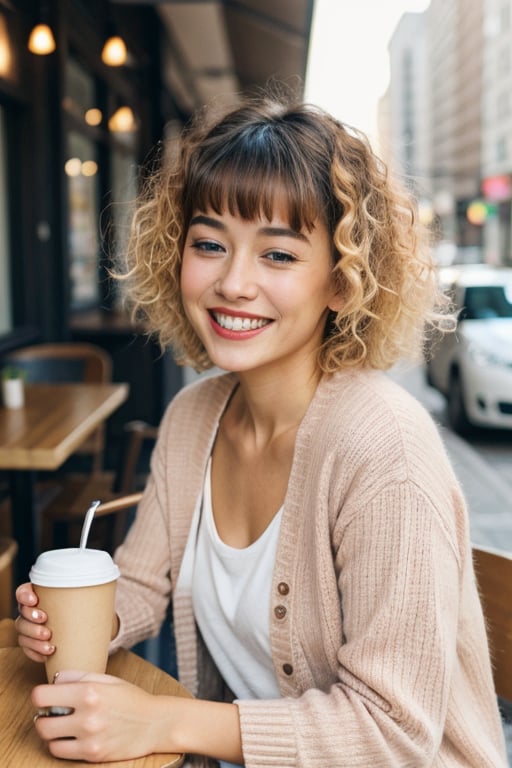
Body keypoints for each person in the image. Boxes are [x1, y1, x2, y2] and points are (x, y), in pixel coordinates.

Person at [15, 88, 507, 767]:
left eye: (278, 255)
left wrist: (167, 722)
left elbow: (393, 732)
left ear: (342, 282)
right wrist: (78, 620)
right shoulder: (194, 417)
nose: (233, 283)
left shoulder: (384, 448)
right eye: (210, 243)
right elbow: (141, 584)